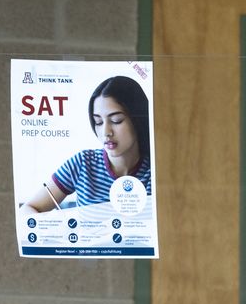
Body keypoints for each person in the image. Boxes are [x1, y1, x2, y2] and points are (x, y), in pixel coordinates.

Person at [21, 74, 153, 212]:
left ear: (138, 119)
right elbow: (28, 209)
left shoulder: (156, 171)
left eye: (116, 120)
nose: (106, 132)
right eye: (98, 122)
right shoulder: (83, 163)